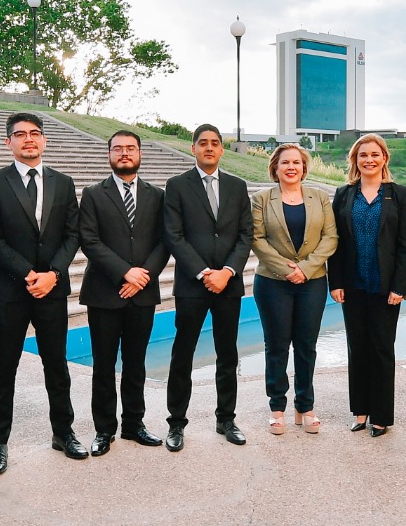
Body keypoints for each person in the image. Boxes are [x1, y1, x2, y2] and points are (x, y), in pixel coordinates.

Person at [0, 112, 82, 474]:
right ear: (8, 142)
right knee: (4, 367)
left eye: (35, 133)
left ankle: (63, 432)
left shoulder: (63, 183)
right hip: (9, 290)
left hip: (52, 290)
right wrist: (28, 274)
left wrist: (53, 274)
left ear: (44, 140)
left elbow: (73, 234)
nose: (28, 139)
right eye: (20, 134)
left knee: (57, 364)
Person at [78, 131, 170, 456]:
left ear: (140, 153)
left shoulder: (157, 196)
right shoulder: (93, 194)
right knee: (103, 365)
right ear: (109, 155)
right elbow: (89, 240)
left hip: (142, 293)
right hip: (104, 292)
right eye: (118, 149)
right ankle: (104, 430)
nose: (125, 153)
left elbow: (165, 241)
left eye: (131, 148)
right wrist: (124, 272)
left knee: (136, 363)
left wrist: (142, 277)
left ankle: (134, 424)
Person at [162, 124, 253, 451]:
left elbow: (245, 235)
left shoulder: (237, 186)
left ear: (222, 150)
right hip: (192, 285)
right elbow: (174, 236)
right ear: (193, 148)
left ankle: (226, 419)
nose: (209, 148)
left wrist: (227, 272)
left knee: (227, 354)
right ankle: (176, 423)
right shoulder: (176, 186)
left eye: (215, 143)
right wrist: (204, 273)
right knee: (182, 354)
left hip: (228, 284)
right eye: (203, 143)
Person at [329, 134, 406, 437]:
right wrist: (335, 281)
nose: (369, 159)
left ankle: (381, 416)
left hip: (385, 287)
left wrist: (399, 286)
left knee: (381, 349)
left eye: (375, 154)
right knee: (357, 348)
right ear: (355, 160)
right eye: (363, 155)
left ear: (384, 158)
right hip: (352, 285)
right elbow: (335, 242)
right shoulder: (343, 194)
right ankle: (360, 411)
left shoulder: (399, 194)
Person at [251, 143, 337, 435]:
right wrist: (288, 269)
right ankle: (277, 407)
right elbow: (257, 239)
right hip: (273, 282)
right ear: (275, 168)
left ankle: (305, 406)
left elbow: (330, 237)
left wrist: (306, 269)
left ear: (304, 167)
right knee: (276, 346)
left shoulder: (319, 197)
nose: (291, 167)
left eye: (296, 162)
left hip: (312, 282)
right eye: (285, 162)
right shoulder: (262, 199)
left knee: (306, 346)